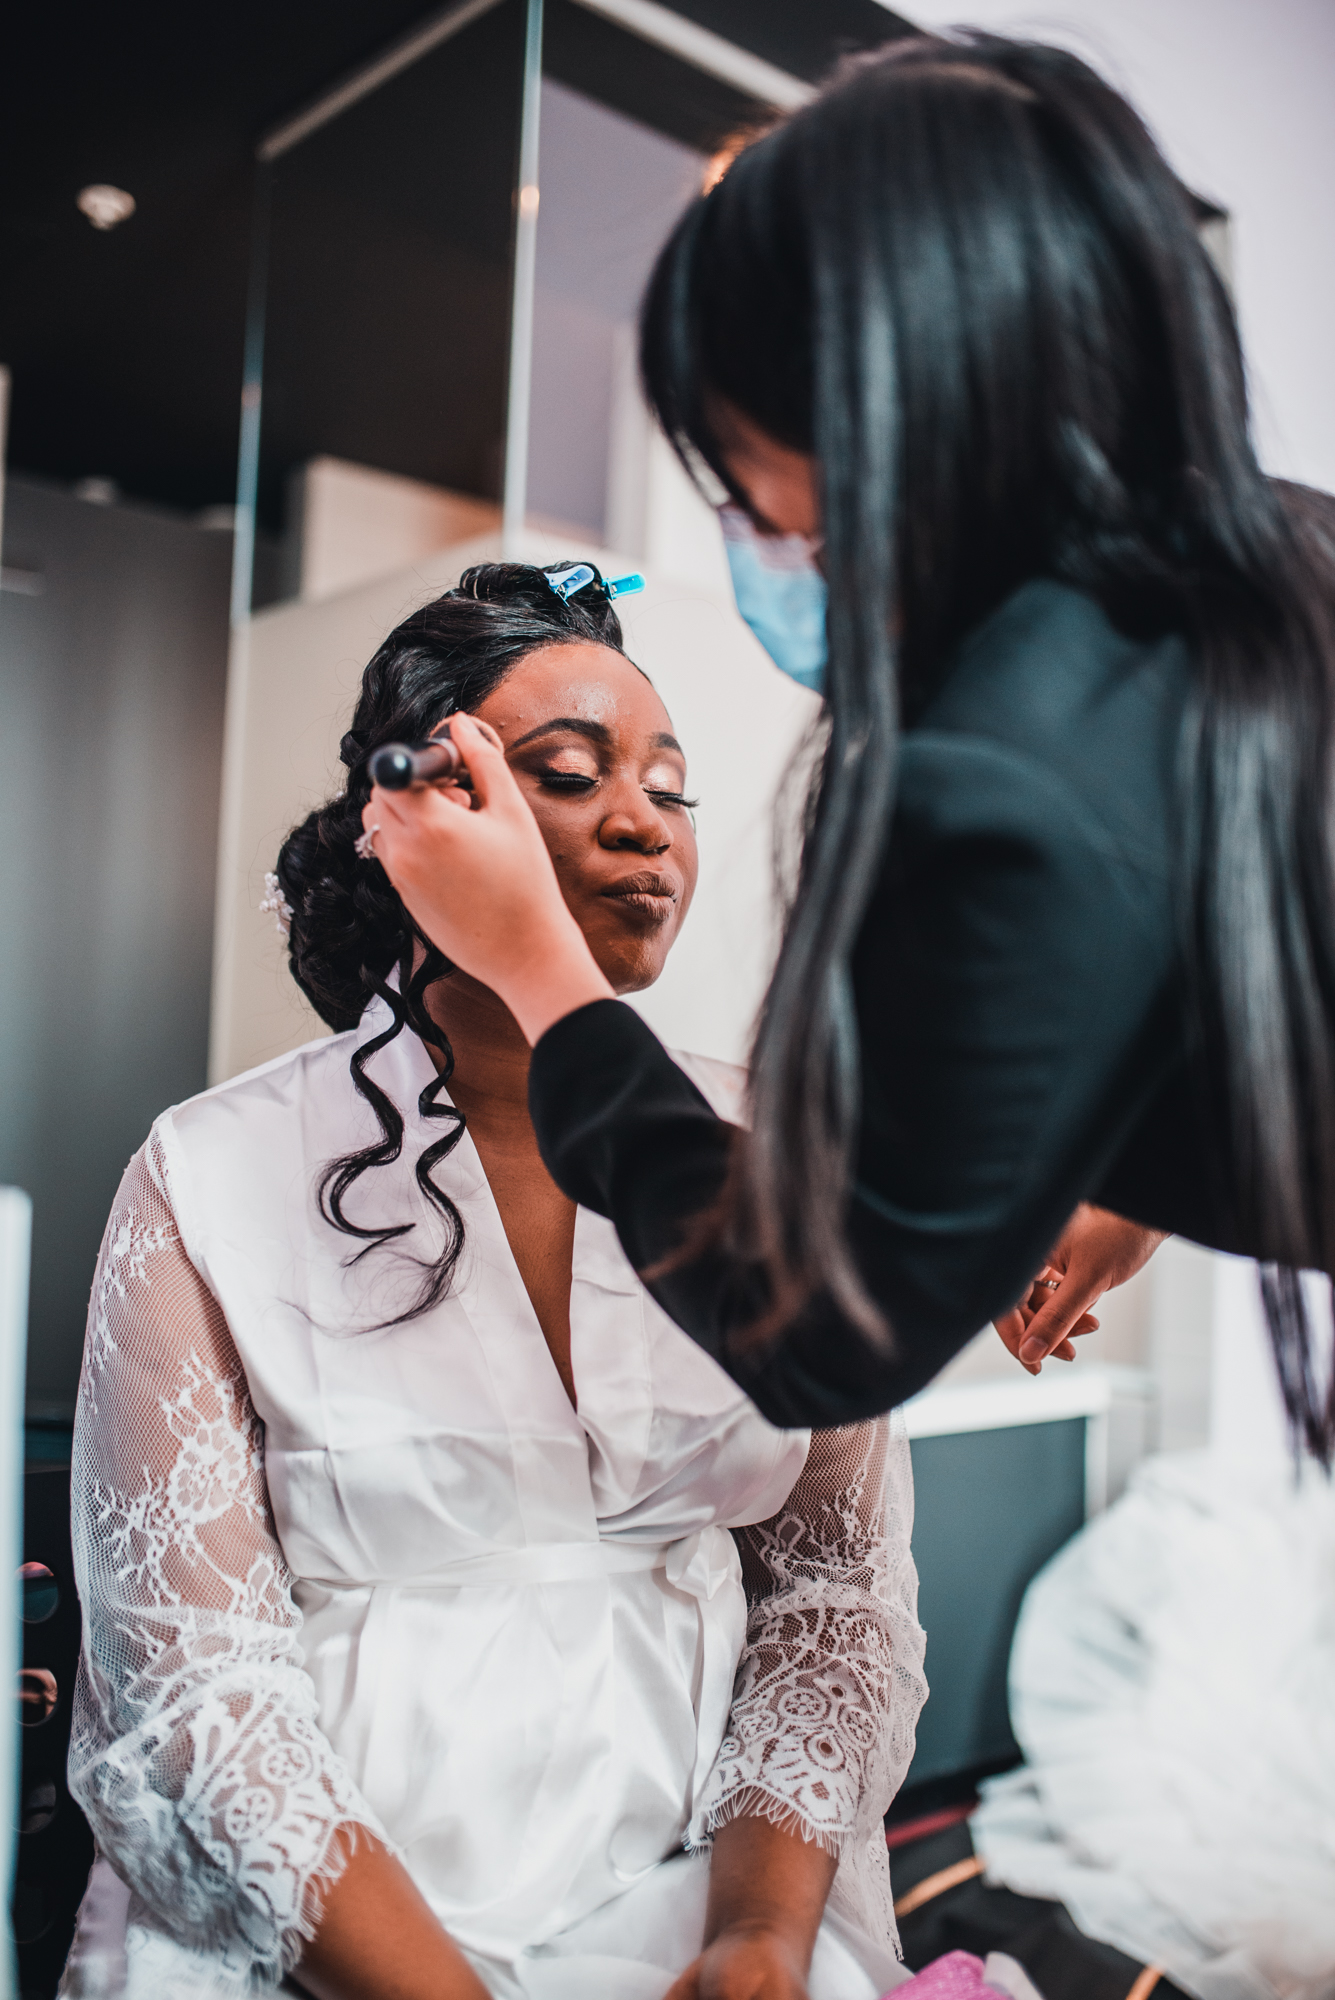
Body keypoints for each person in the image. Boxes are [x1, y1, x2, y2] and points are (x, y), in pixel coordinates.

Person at [361, 34, 1335, 1456]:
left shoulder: (999, 780)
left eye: (737, 461)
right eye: (564, 776)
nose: (746, 515)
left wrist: (540, 972)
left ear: (880, 402)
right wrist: (1137, 1149)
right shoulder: (1283, 560)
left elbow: (818, 1331)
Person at [61, 564, 930, 2000]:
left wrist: (757, 1935)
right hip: (342, 1937)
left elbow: (832, 1601)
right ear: (411, 817)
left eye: (670, 787)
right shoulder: (208, 1173)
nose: (644, 821)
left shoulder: (768, 1150)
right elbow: (195, 1686)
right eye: (571, 774)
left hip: (699, 1903)